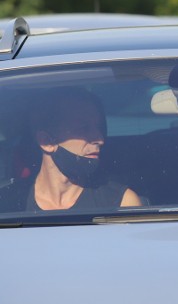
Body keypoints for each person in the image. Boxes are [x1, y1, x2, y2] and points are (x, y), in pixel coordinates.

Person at [0, 87, 142, 212]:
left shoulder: (121, 203)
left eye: (98, 127)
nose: (100, 139)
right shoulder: (7, 203)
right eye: (83, 128)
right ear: (47, 141)